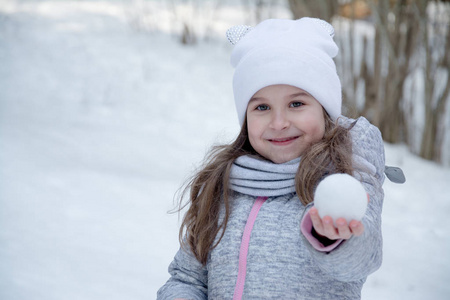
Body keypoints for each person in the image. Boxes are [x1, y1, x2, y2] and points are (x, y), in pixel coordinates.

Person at [157, 17, 386, 299]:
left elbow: (362, 259)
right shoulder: (225, 186)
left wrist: (334, 237)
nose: (278, 122)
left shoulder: (342, 174)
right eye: (262, 106)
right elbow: (186, 279)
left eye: (296, 104)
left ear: (325, 110)